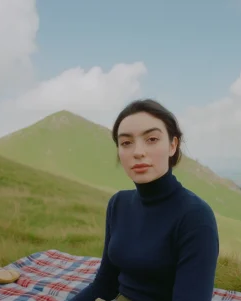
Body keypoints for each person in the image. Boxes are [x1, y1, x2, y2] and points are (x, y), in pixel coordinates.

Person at [70, 99, 219, 301]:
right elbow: (104, 285)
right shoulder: (118, 204)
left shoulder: (195, 216)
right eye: (126, 143)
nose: (138, 152)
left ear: (172, 145)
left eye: (151, 139)